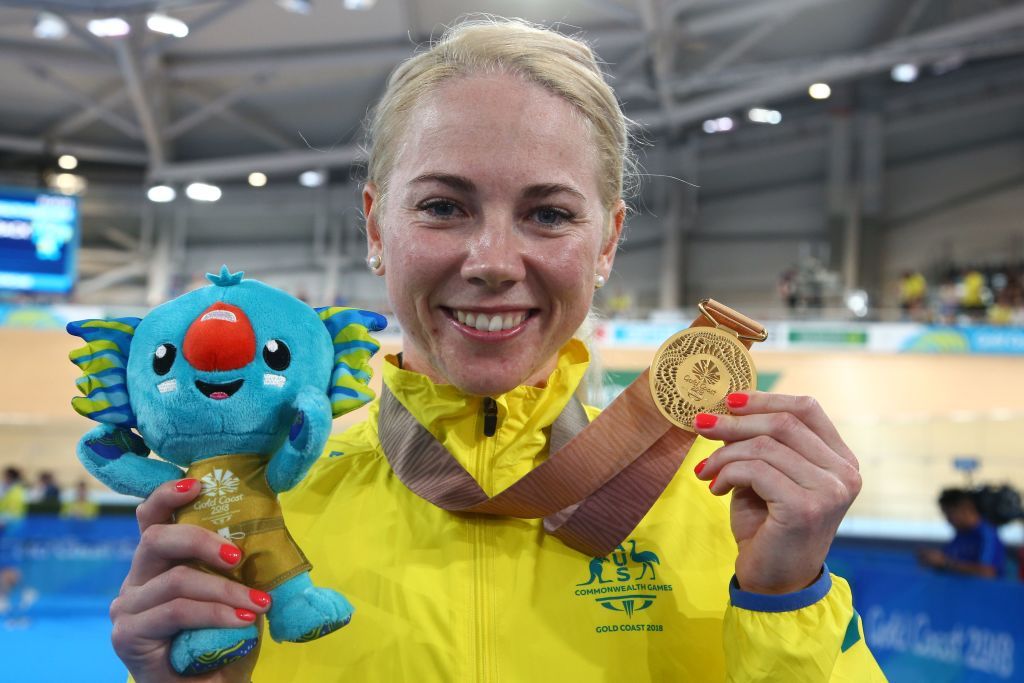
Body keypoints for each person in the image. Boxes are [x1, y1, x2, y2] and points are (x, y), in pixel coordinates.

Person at [109, 18, 885, 682]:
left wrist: (787, 601)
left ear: (608, 240)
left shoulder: (729, 506)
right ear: (378, 228)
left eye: (548, 214)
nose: (493, 260)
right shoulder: (267, 511)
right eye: (444, 206)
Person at [919, 488, 1006, 579]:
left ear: (965, 509)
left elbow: (988, 573)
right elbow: (948, 557)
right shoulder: (961, 534)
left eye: (950, 514)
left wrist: (945, 563)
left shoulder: (987, 535)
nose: (948, 520)